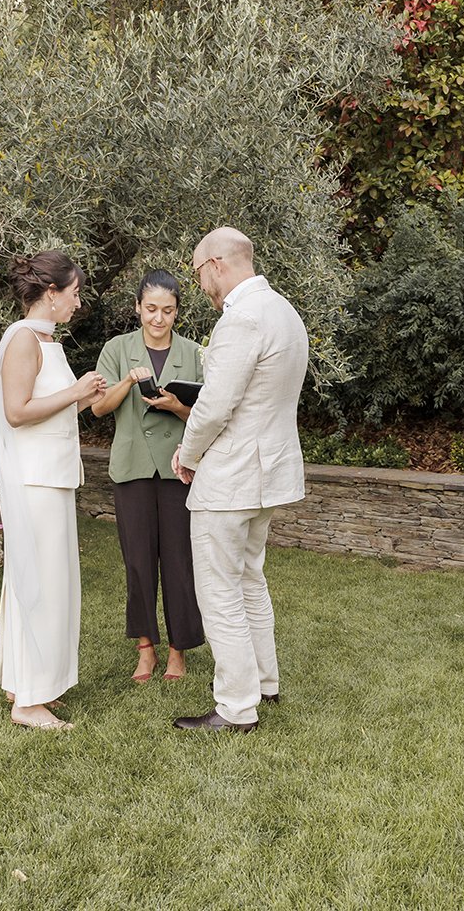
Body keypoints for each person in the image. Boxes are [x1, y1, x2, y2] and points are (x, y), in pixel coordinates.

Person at [171, 227, 308, 733]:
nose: (200, 283)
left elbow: (215, 405)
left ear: (217, 264)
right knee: (250, 576)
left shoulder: (241, 319)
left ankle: (235, 707)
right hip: (267, 472)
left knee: (220, 588)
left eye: (197, 271)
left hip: (232, 477)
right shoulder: (284, 312)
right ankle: (264, 681)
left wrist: (188, 452)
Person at [0, 250, 108, 731]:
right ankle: (29, 701)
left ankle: (28, 684)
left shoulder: (46, 341)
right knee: (41, 585)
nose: (79, 303)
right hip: (36, 481)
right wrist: (76, 393)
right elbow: (17, 412)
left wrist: (84, 398)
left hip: (54, 476)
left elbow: (49, 412)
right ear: (52, 293)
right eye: (75, 293)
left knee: (48, 584)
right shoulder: (22, 340)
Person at [90, 270, 206, 684]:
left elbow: (207, 415)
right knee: (138, 562)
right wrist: (127, 380)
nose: (159, 318)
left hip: (179, 470)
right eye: (152, 309)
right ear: (138, 307)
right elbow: (99, 408)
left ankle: (178, 651)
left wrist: (176, 406)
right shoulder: (116, 349)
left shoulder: (194, 353)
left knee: (179, 562)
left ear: (178, 313)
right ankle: (145, 650)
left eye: (168, 311)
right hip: (132, 469)